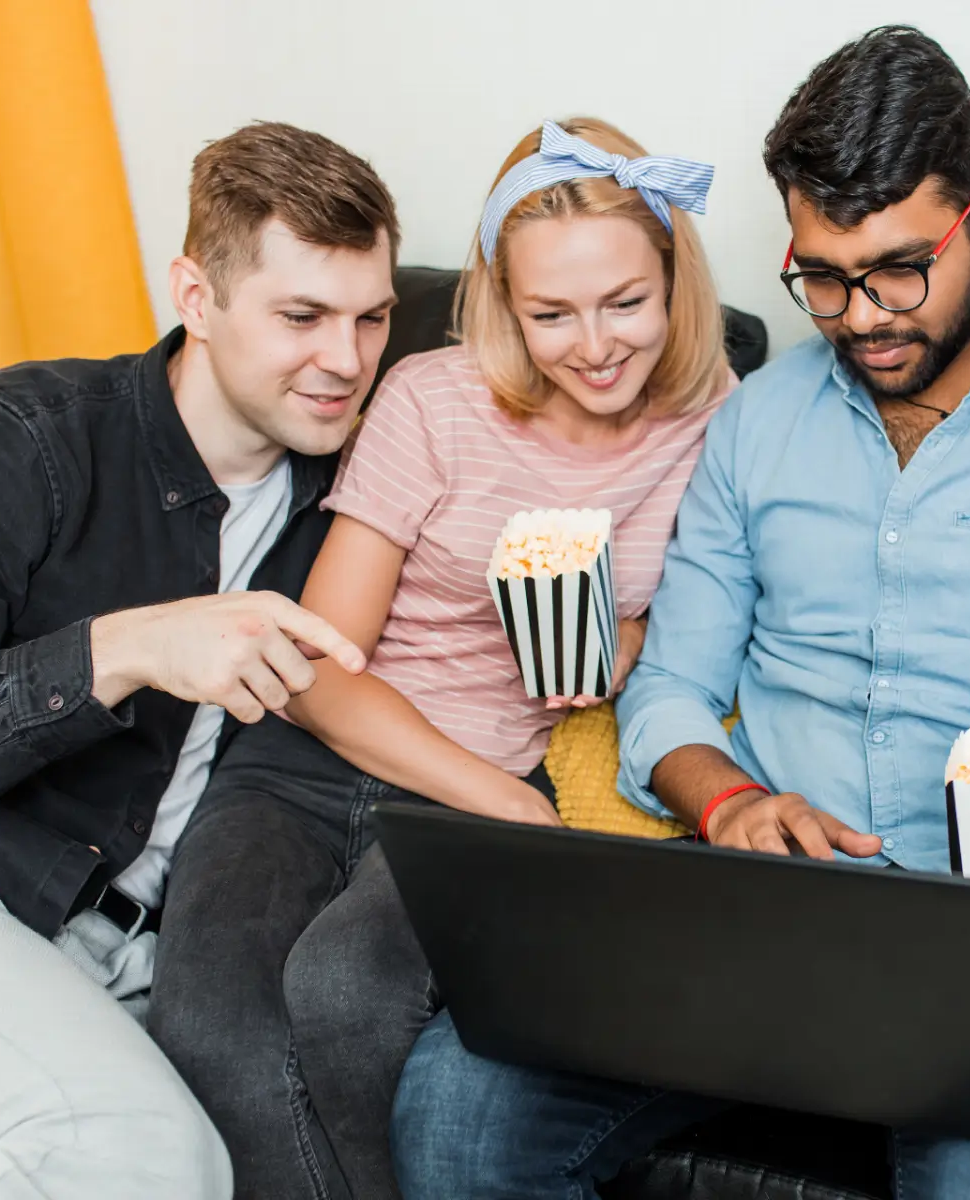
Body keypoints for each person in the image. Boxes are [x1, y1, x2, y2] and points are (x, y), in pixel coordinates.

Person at [389, 28, 970, 1200]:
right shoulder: (757, 424)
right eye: (821, 275)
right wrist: (732, 803)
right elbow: (669, 691)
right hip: (760, 920)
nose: (861, 316)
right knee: (450, 1114)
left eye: (899, 269)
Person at [147, 117, 733, 1200]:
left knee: (347, 993)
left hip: (497, 776)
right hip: (316, 758)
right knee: (212, 1024)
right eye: (549, 312)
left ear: (674, 284)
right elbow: (321, 662)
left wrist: (617, 647)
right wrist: (502, 805)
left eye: (625, 303)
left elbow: (714, 624)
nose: (594, 344)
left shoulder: (719, 428)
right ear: (503, 303)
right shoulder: (433, 396)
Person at [0, 121, 396, 1199]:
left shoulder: (364, 501)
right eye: (302, 317)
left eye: (372, 318)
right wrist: (122, 649)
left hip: (139, 953)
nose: (347, 359)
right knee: (135, 1154)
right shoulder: (11, 440)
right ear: (195, 295)